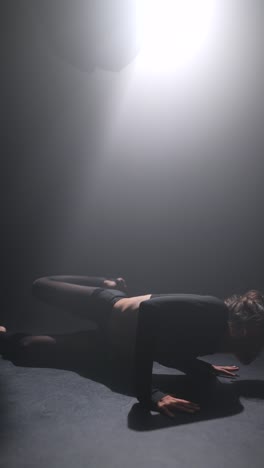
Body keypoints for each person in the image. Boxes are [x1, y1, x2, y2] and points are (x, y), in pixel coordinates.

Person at [0, 275, 263, 419]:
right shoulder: (212, 309)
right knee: (40, 286)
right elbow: (150, 311)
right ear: (245, 327)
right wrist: (150, 393)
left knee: (24, 349)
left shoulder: (217, 343)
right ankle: (108, 283)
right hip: (109, 308)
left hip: (112, 345)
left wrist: (202, 368)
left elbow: (167, 351)